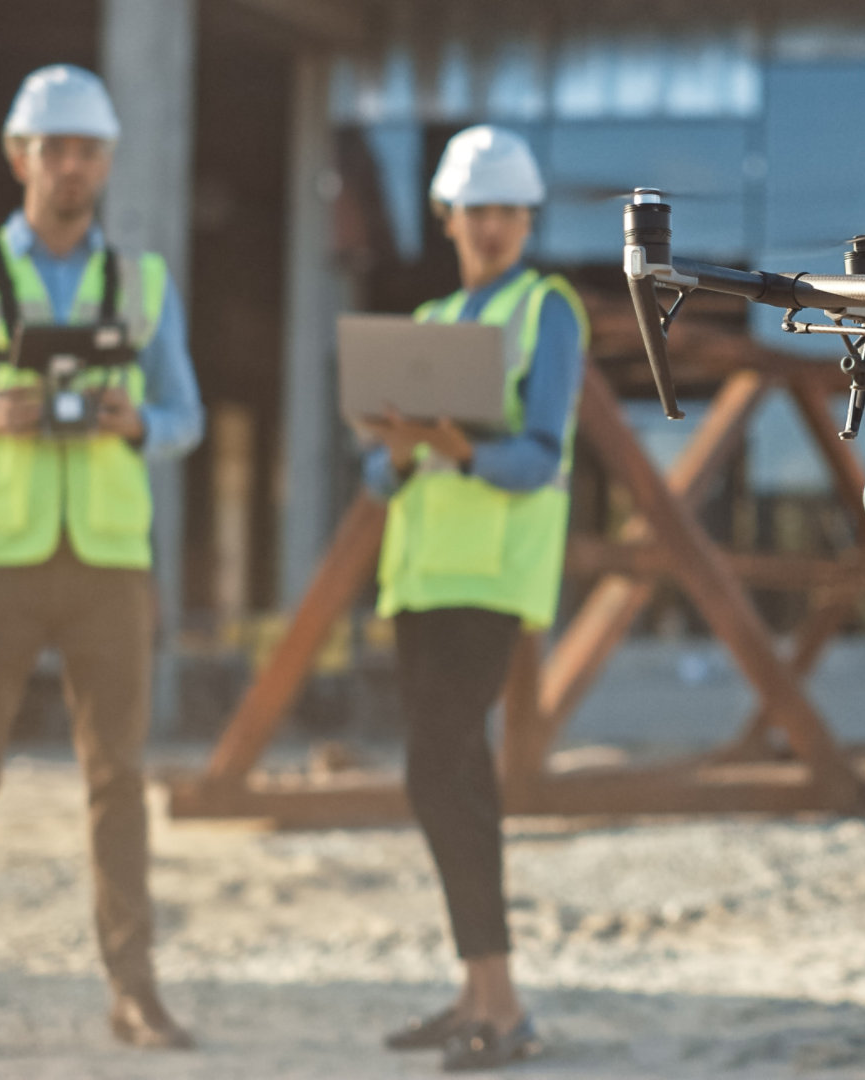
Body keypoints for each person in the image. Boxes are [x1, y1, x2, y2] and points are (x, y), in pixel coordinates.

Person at [0, 64, 203, 1060]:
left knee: (118, 780)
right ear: (22, 156)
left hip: (107, 560)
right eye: (53, 148)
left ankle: (133, 993)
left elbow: (184, 416)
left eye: (87, 150)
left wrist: (137, 419)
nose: (70, 166)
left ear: (106, 163)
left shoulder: (144, 285)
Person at [360, 124, 586, 1072]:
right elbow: (378, 481)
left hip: (490, 581)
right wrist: (403, 449)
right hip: (420, 582)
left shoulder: (549, 310)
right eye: (476, 211)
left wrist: (460, 451)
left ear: (527, 218)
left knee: (440, 773)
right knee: (450, 779)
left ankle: (503, 1002)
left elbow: (541, 458)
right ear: (446, 216)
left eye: (507, 212)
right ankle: (477, 994)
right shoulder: (436, 316)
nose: (490, 227)